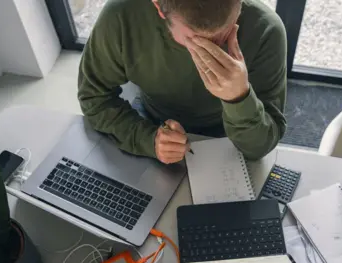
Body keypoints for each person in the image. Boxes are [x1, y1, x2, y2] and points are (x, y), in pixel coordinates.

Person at [78, 0, 287, 164]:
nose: (212, 49)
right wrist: (148, 140)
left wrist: (239, 98)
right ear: (159, 8)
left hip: (228, 135)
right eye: (195, 39)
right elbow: (94, 97)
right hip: (151, 119)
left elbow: (260, 148)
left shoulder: (266, 30)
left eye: (226, 32)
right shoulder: (122, 16)